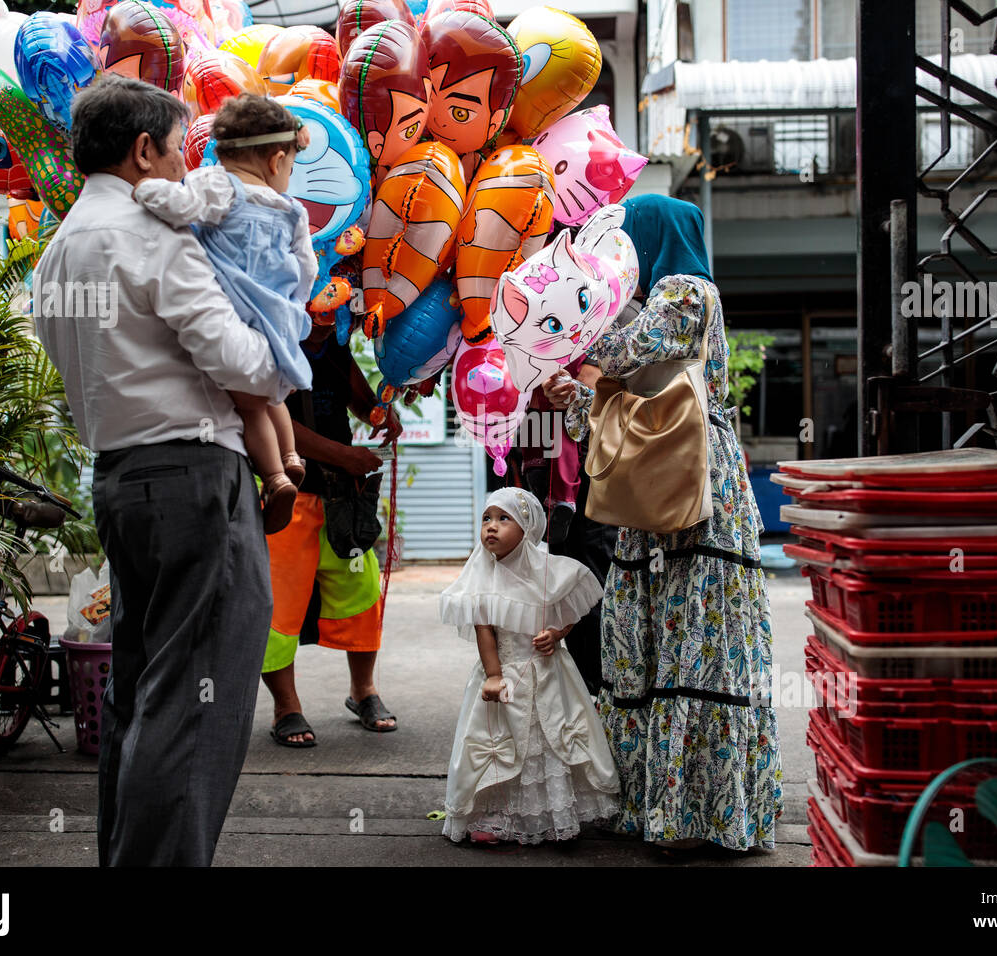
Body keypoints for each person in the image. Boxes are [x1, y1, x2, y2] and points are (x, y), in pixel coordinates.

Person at [33, 75, 287, 866]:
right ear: (144, 150)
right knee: (195, 700)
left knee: (143, 695)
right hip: (191, 480)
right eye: (180, 151)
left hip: (121, 481)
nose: (185, 170)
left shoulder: (60, 248)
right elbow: (238, 357)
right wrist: (282, 338)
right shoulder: (150, 236)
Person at [543, 193, 784, 851]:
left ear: (654, 236)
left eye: (631, 236)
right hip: (655, 492)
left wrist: (567, 335)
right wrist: (574, 390)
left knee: (687, 635)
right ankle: (665, 806)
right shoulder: (647, 305)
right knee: (655, 638)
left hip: (690, 491)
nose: (623, 250)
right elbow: (604, 404)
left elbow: (636, 345)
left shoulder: (688, 292)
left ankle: (692, 811)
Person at [134, 93, 315, 534]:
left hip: (233, 307)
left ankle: (273, 478)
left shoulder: (217, 184)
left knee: (251, 406)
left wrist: (143, 189)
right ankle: (291, 457)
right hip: (276, 313)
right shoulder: (293, 209)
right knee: (272, 396)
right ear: (276, 161)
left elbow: (180, 206)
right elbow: (307, 268)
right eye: (290, 167)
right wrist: (293, 307)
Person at [438, 488, 619, 845]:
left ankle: (557, 812)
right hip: (504, 676)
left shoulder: (548, 570)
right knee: (501, 742)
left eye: (504, 519)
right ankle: (495, 816)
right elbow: (484, 630)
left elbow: (568, 608)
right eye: (487, 518)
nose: (492, 527)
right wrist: (493, 675)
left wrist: (555, 633)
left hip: (548, 673)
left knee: (550, 741)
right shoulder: (482, 576)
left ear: (528, 528)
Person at [261, 320, 403, 746]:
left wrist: (380, 412)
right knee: (278, 608)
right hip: (287, 496)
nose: (327, 327)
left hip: (342, 497)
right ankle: (286, 707)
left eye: (334, 321)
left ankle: (364, 691)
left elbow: (359, 401)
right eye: (317, 320)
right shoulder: (271, 347)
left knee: (361, 592)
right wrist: (346, 454)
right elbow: (274, 421)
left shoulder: (335, 350)